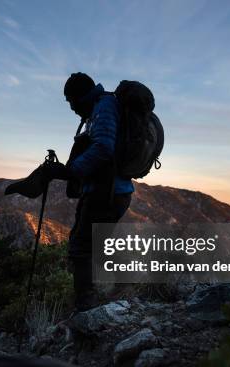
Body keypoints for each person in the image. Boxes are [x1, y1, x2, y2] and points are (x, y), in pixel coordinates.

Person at [43, 72, 134, 311]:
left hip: (106, 193)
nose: (71, 108)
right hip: (110, 191)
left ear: (81, 96)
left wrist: (73, 170)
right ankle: (122, 289)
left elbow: (103, 147)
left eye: (71, 101)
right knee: (94, 244)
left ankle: (85, 307)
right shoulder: (98, 107)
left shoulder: (103, 107)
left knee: (81, 247)